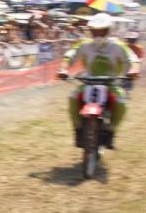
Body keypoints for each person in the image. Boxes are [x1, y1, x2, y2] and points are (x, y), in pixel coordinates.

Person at [57, 13, 140, 148]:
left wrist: (134, 70)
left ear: (109, 30)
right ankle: (78, 131)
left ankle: (111, 131)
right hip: (88, 81)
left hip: (111, 83)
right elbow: (69, 56)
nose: (98, 34)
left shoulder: (118, 46)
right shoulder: (84, 44)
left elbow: (132, 59)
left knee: (122, 102)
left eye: (102, 31)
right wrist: (63, 69)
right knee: (72, 98)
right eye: (95, 31)